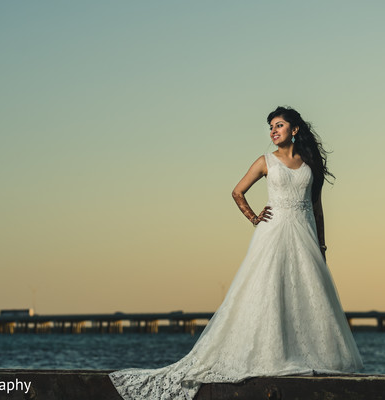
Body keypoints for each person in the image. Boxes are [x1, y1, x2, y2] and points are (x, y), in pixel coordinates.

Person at [109, 106, 363, 400]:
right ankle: (270, 355)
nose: (273, 131)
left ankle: (308, 357)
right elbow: (237, 191)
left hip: (304, 237)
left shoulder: (309, 163)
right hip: (274, 233)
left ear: (294, 129)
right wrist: (254, 218)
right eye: (270, 127)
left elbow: (316, 207)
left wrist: (322, 244)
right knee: (268, 291)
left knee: (307, 293)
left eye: (279, 125)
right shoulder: (265, 161)